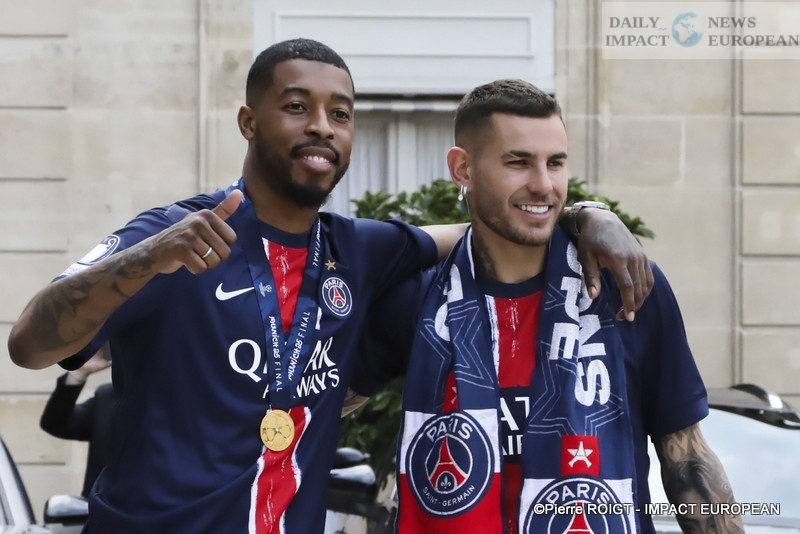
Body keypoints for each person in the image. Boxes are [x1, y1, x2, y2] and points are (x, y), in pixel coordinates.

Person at [7, 39, 651, 533]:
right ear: (248, 122)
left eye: (339, 114)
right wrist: (144, 261)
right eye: (296, 107)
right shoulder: (173, 234)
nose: (322, 125)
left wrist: (584, 215)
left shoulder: (358, 248)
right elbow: (29, 345)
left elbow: (488, 222)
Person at [354, 79, 743, 534]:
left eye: (555, 163)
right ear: (463, 169)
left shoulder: (628, 290)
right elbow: (315, 411)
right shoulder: (419, 298)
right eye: (518, 162)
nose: (543, 185)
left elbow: (689, 463)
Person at [40, 346, 113, 499]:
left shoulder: (172, 399)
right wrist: (79, 373)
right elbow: (55, 423)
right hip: (102, 513)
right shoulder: (107, 397)